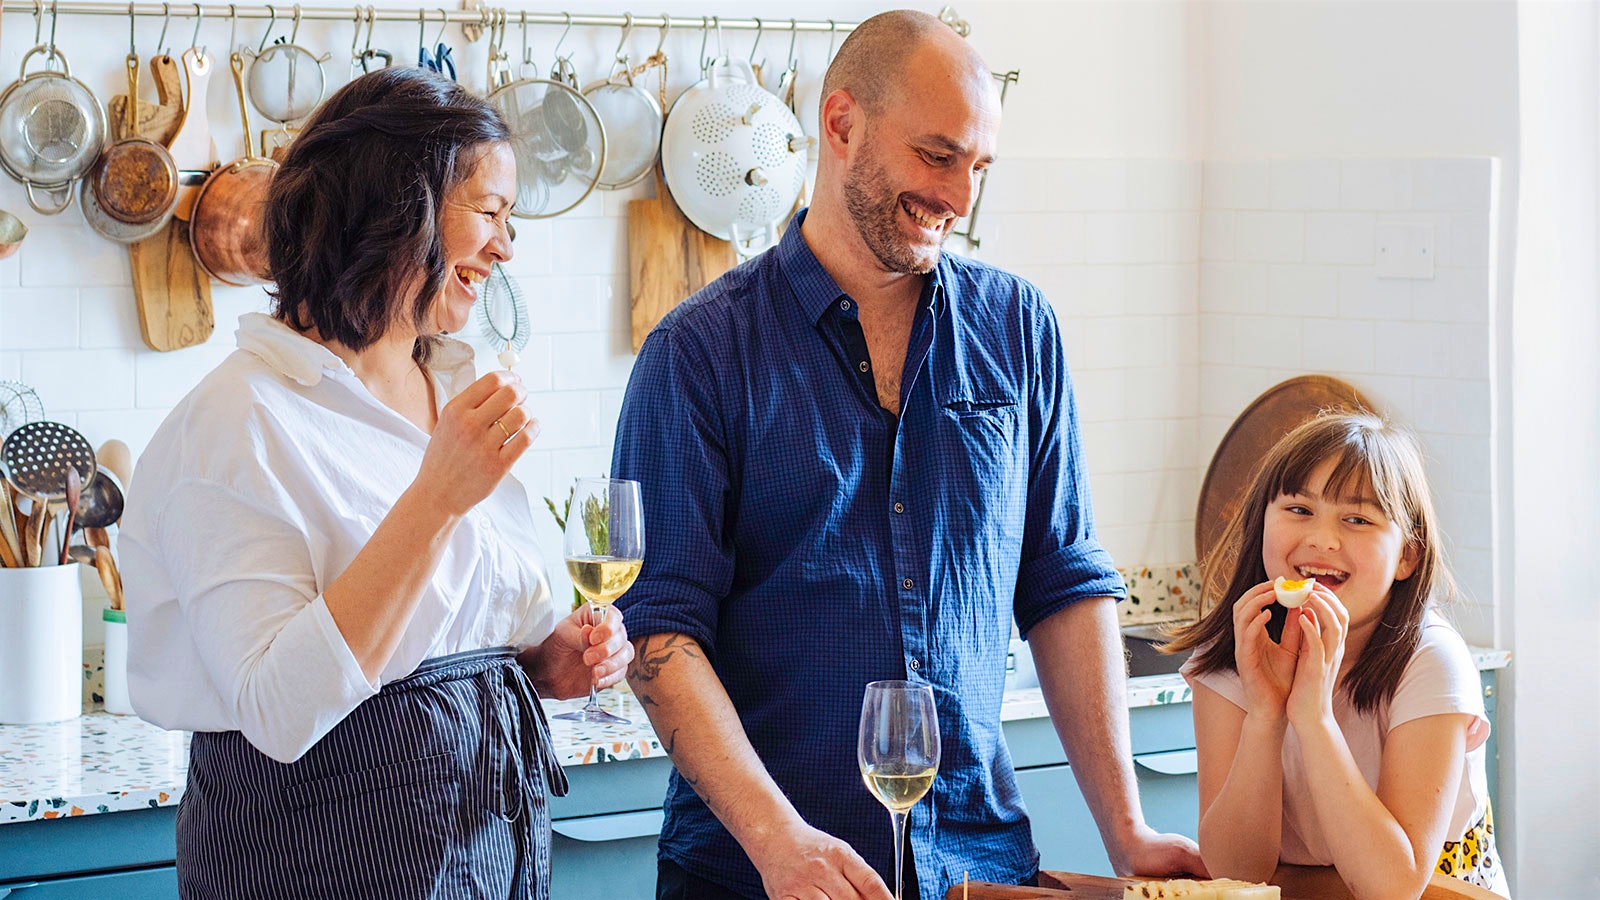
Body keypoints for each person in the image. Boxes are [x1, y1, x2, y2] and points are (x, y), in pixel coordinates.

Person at [611, 10, 1203, 899]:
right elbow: (660, 626)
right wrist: (781, 842)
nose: (960, 197)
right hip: (758, 875)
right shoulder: (699, 353)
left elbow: (1064, 581)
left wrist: (1127, 828)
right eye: (937, 156)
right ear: (841, 123)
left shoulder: (1018, 330)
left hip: (978, 868)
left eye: (979, 166)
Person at [120, 66, 632, 899]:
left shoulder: (453, 386)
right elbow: (279, 710)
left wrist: (550, 658)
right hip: (314, 857)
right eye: (491, 214)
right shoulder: (235, 422)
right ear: (401, 209)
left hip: (482, 851)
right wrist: (436, 497)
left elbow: (457, 629)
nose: (506, 248)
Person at [1165, 412, 1509, 898]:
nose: (1322, 540)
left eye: (1357, 519)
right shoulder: (1234, 655)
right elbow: (1238, 873)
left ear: (1407, 555)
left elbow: (1393, 887)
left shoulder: (1430, 662)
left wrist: (1313, 717)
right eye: (1299, 510)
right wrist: (1265, 715)